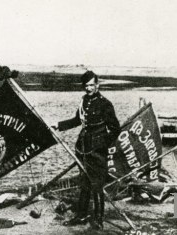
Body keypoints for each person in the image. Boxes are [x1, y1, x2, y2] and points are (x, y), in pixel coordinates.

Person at [52, 71, 120, 230]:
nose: (89, 88)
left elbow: (115, 129)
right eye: (86, 85)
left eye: (92, 85)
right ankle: (81, 215)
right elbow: (77, 120)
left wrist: (102, 144)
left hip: (97, 151)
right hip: (82, 148)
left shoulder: (105, 104)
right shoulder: (83, 101)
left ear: (98, 85)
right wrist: (59, 125)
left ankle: (98, 219)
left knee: (97, 184)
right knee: (84, 183)